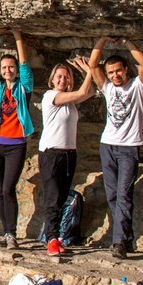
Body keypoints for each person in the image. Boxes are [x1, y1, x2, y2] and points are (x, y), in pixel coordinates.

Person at [90, 37, 143, 259]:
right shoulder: (107, 88)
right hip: (108, 145)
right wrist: (103, 40)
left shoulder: (137, 87)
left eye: (118, 71)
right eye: (111, 72)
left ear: (126, 70)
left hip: (129, 147)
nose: (115, 75)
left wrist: (126, 42)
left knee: (124, 194)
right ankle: (127, 238)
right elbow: (93, 65)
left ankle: (118, 243)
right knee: (113, 196)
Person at [37, 57, 97, 256]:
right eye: (59, 76)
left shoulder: (70, 103)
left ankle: (57, 237)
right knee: (53, 197)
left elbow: (90, 92)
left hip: (69, 153)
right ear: (53, 79)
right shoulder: (50, 96)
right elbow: (81, 91)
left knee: (62, 197)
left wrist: (83, 71)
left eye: (66, 77)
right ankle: (51, 239)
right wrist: (89, 70)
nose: (62, 80)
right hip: (51, 153)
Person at [0, 29, 35, 250]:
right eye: (4, 67)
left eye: (10, 67)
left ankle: (11, 233)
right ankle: (6, 232)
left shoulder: (24, 87)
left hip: (16, 145)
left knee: (7, 189)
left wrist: (18, 37)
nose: (7, 70)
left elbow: (25, 65)